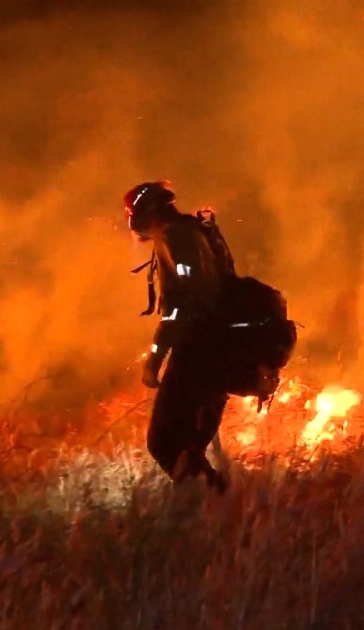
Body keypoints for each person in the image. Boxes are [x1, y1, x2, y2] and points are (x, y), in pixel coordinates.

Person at [124, 180, 234, 493]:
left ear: (147, 215)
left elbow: (180, 307)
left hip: (198, 352)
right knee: (190, 446)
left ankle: (210, 502)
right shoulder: (196, 232)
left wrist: (154, 360)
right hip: (220, 349)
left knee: (164, 442)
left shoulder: (174, 238)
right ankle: (224, 507)